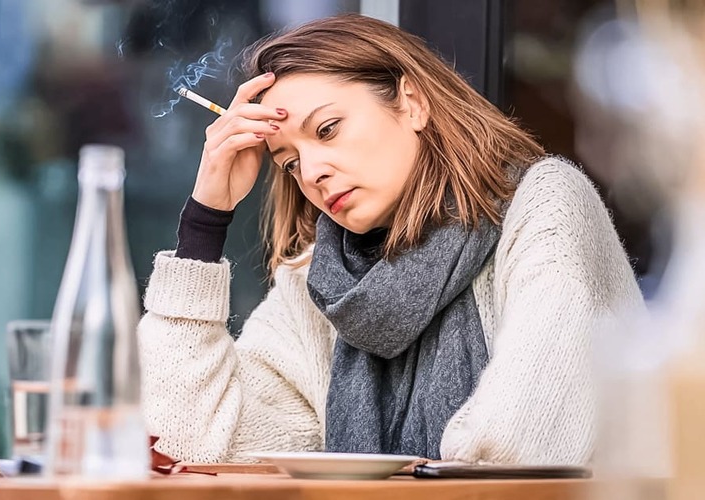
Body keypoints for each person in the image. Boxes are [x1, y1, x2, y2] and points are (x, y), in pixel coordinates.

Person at [138, 13, 643, 465]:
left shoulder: (546, 207)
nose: (312, 172)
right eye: (289, 163)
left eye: (328, 129)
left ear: (413, 103)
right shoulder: (321, 285)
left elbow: (516, 444)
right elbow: (189, 441)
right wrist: (205, 222)